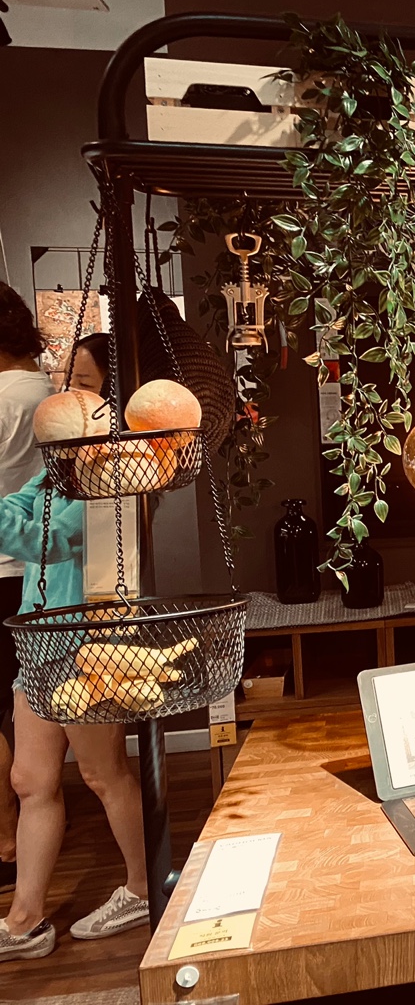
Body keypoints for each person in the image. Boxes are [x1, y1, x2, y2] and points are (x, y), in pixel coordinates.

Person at [0, 329, 149, 962]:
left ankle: (142, 887)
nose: (68, 395)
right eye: (70, 382)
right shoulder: (59, 467)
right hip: (41, 638)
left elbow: (53, 539)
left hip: (92, 644)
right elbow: (19, 513)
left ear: (114, 398)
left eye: (84, 384)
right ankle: (25, 920)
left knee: (101, 773)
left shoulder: (119, 468)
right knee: (30, 779)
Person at [0, 287, 54, 901]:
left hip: (11, 569)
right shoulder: (47, 393)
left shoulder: (6, 399)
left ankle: (7, 840)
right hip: (39, 577)